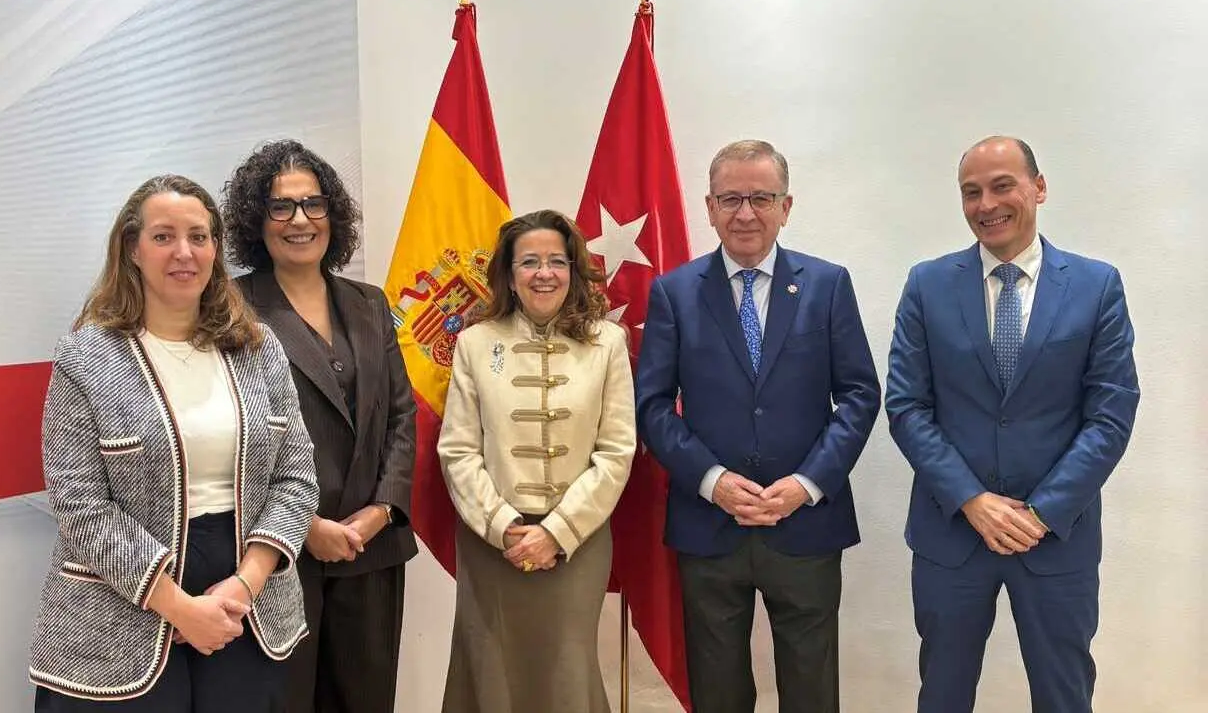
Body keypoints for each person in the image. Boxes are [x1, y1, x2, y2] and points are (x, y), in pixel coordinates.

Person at [28, 175, 320, 711]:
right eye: (163, 237)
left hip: (244, 603)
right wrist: (178, 607)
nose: (184, 252)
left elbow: (296, 479)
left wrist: (245, 584)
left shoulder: (259, 347)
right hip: (119, 611)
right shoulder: (86, 358)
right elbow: (79, 506)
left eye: (199, 236)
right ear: (132, 250)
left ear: (215, 250)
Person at [885, 136, 1140, 713]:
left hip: (1056, 538)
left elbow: (1112, 412)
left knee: (1064, 695)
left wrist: (1043, 511)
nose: (986, 204)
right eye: (971, 192)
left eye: (1003, 185)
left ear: (1039, 188)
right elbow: (906, 406)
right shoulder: (926, 285)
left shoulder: (1097, 286)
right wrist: (973, 499)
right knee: (943, 695)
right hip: (952, 535)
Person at [635, 140, 881, 712]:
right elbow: (651, 407)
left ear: (786, 206)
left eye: (761, 198)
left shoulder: (828, 285)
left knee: (811, 688)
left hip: (805, 522)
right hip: (708, 523)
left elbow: (860, 396)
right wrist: (713, 480)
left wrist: (807, 484)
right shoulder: (674, 292)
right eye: (731, 199)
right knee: (717, 689)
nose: (746, 213)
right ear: (709, 206)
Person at [223, 140, 417, 713]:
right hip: (278, 555)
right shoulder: (230, 309)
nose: (300, 220)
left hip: (371, 549)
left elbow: (401, 416)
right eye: (281, 207)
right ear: (256, 223)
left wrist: (382, 510)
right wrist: (304, 527)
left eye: (313, 203)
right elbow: (231, 437)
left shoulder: (369, 302)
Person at [436, 209, 636, 713]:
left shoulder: (608, 343)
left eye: (556, 261)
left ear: (574, 270)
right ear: (508, 273)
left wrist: (558, 533)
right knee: (491, 672)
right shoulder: (475, 343)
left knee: (567, 672)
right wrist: (504, 526)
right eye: (529, 262)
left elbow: (616, 451)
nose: (543, 273)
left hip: (579, 543)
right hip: (491, 544)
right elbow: (458, 451)